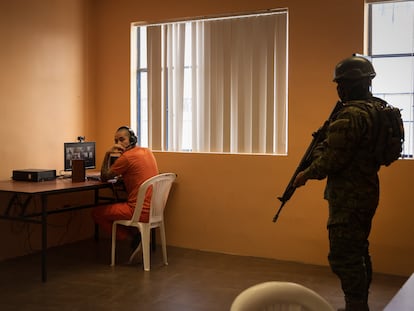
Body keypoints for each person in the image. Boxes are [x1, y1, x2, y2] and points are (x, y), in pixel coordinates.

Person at [293, 56, 384, 311]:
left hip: (348, 196)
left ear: (351, 84)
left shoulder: (349, 116)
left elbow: (333, 160)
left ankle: (355, 306)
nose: (339, 89)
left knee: (344, 255)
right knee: (359, 250)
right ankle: (360, 303)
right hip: (367, 189)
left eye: (341, 83)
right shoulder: (377, 109)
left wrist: (306, 174)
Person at [92, 126, 158, 247]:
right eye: (116, 141)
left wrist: (107, 154)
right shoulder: (147, 151)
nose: (118, 144)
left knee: (96, 212)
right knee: (119, 203)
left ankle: (131, 240)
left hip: (138, 211)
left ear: (132, 139)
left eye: (122, 139)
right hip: (154, 210)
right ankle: (137, 239)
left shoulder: (126, 158)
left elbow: (104, 176)